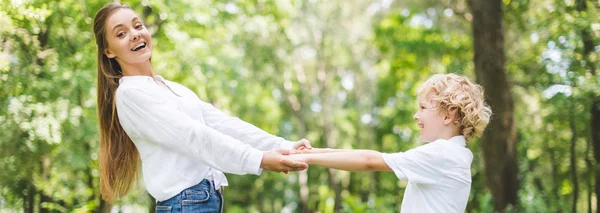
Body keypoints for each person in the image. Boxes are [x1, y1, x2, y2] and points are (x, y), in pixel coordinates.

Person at [93, 3, 311, 212]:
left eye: (138, 25)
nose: (135, 34)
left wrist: (284, 145)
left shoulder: (170, 88)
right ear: (109, 52)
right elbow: (193, 136)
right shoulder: (131, 94)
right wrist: (259, 159)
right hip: (185, 204)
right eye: (121, 34)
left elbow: (222, 124)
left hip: (202, 201)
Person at [289, 73, 492, 213]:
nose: (415, 115)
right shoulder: (454, 154)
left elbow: (370, 160)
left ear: (449, 115)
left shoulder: (443, 154)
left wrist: (307, 157)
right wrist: (314, 151)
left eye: (422, 107)